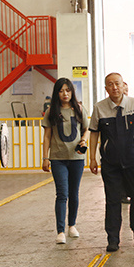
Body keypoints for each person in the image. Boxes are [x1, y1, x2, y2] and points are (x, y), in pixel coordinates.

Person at [89, 72, 134, 252]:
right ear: (106, 88)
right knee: (113, 200)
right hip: (111, 163)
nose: (114, 87)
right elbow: (94, 133)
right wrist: (92, 158)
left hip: (133, 160)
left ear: (124, 85)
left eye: (117, 83)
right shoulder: (99, 108)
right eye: (110, 84)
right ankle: (113, 238)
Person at [41, 78, 89, 244]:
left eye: (68, 90)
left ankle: (72, 225)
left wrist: (83, 140)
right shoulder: (51, 111)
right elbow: (47, 136)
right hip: (58, 158)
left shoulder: (79, 109)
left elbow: (87, 129)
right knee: (62, 193)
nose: (65, 94)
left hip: (76, 158)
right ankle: (60, 231)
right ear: (57, 93)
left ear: (72, 92)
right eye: (61, 91)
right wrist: (45, 157)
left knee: (74, 193)